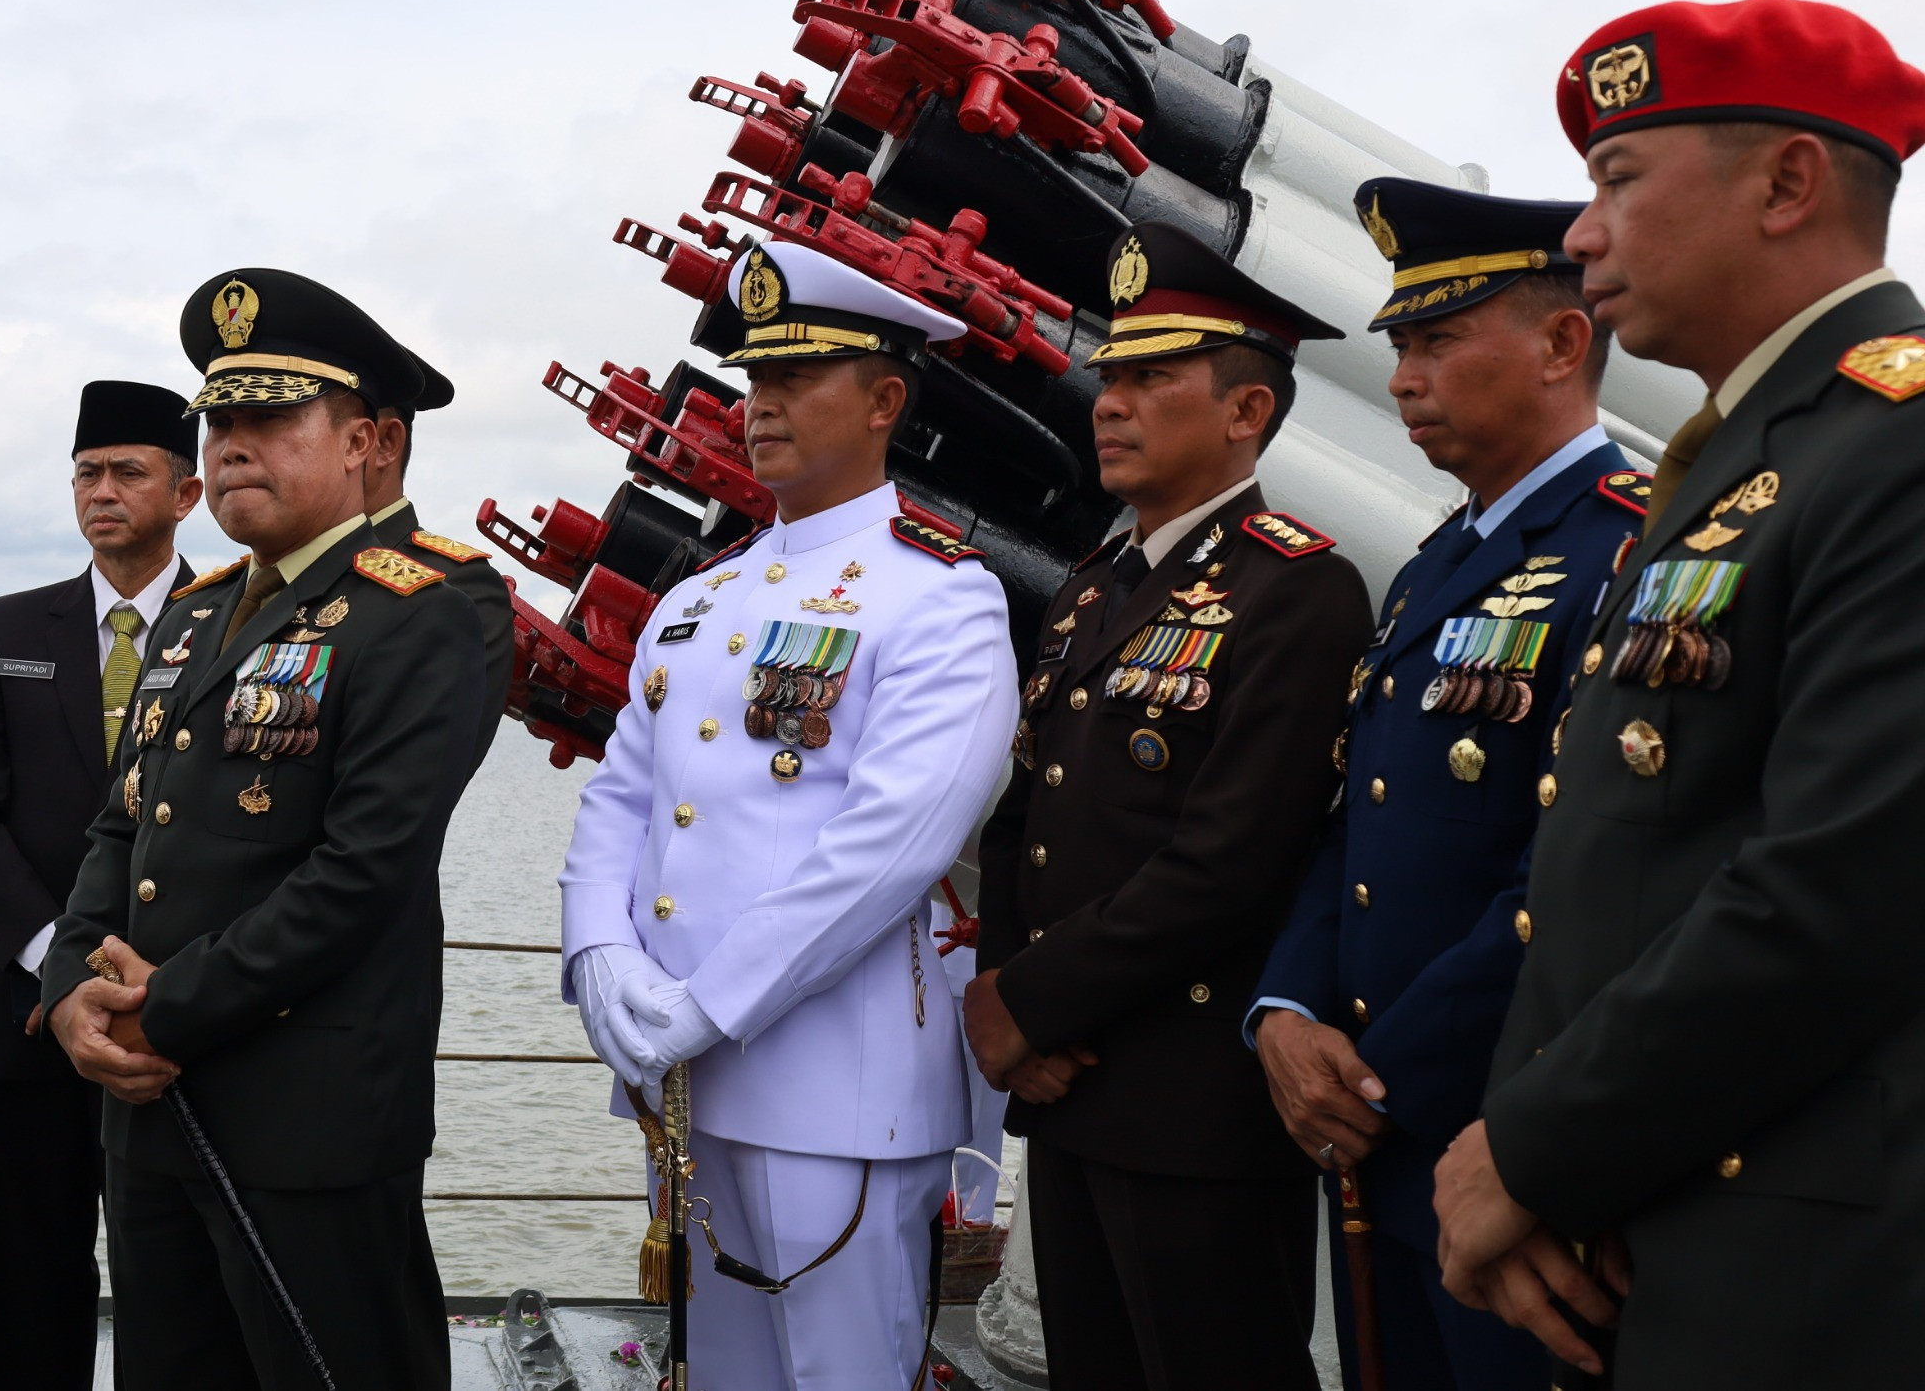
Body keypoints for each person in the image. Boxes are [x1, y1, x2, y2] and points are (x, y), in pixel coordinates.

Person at [1434, 0, 1925, 1386]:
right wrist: (1543, 1163)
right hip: (1646, 1224)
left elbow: (1842, 891)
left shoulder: (1893, 445)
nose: (1581, 232)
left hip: (1800, 1271)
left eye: (1620, 179)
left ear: (1786, 184)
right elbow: (1614, 865)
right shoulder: (1729, 466)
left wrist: (1531, 1150)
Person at [559, 240, 1019, 1391]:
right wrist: (600, 956)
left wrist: (703, 1005)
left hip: (834, 1090)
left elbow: (892, 845)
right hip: (683, 1078)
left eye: (796, 377)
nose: (757, 403)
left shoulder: (942, 593)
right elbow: (622, 792)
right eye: (751, 378)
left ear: (883, 400)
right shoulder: (697, 598)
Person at [40, 268, 488, 1390]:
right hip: (150, 1110)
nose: (230, 443)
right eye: (219, 421)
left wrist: (162, 1007)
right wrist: (63, 990)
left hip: (306, 1118)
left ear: (372, 442)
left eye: (270, 416)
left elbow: (362, 870)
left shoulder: (432, 607)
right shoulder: (193, 611)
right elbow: (120, 822)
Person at [965, 221, 1374, 1391]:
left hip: (1196, 1108)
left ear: (1246, 412)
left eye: (1154, 378)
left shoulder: (1297, 588)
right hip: (1069, 1082)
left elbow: (1225, 863)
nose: (1111, 399)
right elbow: (1022, 817)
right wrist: (1013, 1010)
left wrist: (1022, 1002)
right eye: (1110, 375)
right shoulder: (1095, 587)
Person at [1250, 179, 1643, 1391]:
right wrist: (1283, 1009)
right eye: (1398, 347)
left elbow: (1582, 866)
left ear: (1561, 341)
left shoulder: (1627, 549)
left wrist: (1374, 1076)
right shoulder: (1435, 568)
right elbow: (1353, 819)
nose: (1403, 378)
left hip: (1506, 1134)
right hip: (1374, 1123)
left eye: (1434, 341)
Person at [0, 381, 202, 1389]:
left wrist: (157, 978)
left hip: (173, 1011)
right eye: (87, 472)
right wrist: (58, 960)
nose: (102, 491)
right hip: (27, 1013)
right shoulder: (9, 629)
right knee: (32, 1276)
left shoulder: (236, 618)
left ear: (185, 493)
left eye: (127, 471)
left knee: (173, 1283)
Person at [362, 349, 516, 757]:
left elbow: (412, 785)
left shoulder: (460, 587)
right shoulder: (234, 592)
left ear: (384, 442)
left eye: (281, 423)